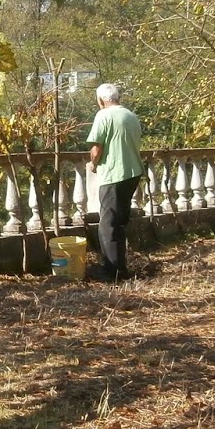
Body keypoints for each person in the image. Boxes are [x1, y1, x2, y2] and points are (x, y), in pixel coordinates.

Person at [81, 82, 144, 282]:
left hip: (114, 175)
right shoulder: (131, 116)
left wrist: (93, 164)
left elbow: (96, 148)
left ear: (101, 100)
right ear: (118, 98)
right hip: (133, 173)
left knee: (108, 224)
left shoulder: (104, 115)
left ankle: (113, 272)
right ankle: (120, 267)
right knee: (119, 222)